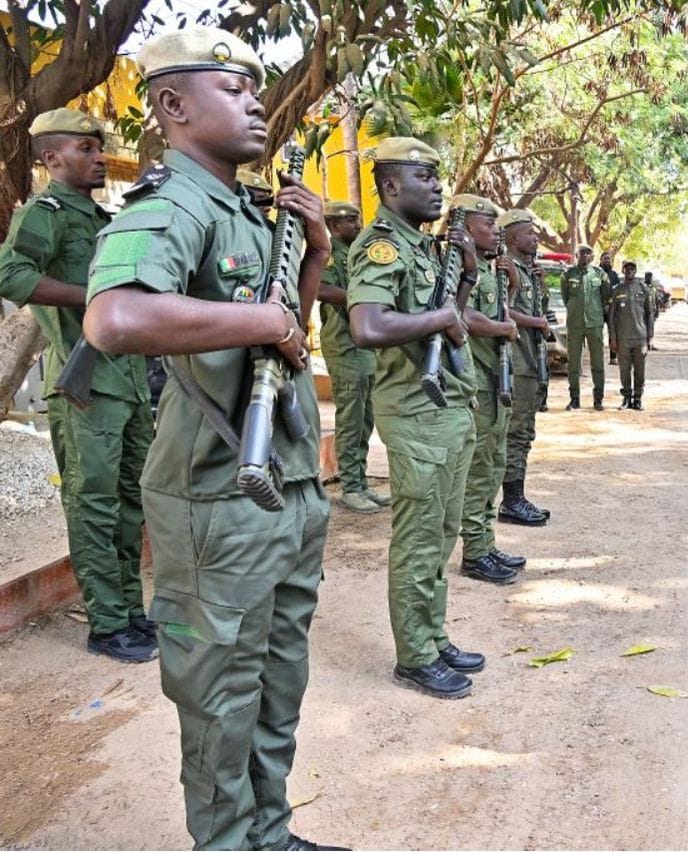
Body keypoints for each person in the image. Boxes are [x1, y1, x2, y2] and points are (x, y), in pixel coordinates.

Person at [83, 27, 343, 850]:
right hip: (216, 494)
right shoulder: (171, 204)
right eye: (233, 89)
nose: (257, 101)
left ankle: (269, 833)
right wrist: (264, 314)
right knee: (220, 700)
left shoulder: (243, 208)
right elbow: (115, 318)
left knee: (276, 683)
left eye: (254, 88)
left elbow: (284, 337)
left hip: (285, 483)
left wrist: (313, 256)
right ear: (171, 105)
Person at [0, 108, 156, 663]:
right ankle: (107, 622)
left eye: (98, 149)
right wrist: (90, 298)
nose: (97, 158)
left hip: (129, 380)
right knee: (93, 503)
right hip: (86, 384)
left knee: (132, 500)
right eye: (85, 149)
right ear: (50, 158)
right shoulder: (44, 214)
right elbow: (10, 274)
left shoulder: (101, 219)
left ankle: (131, 610)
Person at [346, 138, 487, 701]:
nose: (436, 187)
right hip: (416, 415)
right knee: (419, 538)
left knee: (443, 531)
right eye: (424, 177)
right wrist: (439, 320)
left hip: (447, 408)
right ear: (389, 186)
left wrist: (467, 272)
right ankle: (415, 656)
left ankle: (433, 634)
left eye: (437, 177)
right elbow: (369, 327)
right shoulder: (379, 247)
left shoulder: (423, 247)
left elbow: (451, 303)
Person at [455, 193, 523, 584]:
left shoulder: (488, 266)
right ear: (467, 227)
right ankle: (475, 552)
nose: (496, 232)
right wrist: (501, 328)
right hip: (476, 379)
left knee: (494, 465)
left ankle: (486, 543)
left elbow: (499, 312)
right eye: (489, 225)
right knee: (479, 469)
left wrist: (510, 286)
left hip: (497, 376)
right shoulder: (457, 267)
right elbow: (461, 314)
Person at [316, 200, 389, 514]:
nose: (358, 227)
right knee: (351, 418)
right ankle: (351, 487)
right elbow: (320, 289)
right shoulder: (328, 253)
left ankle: (358, 480)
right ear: (334, 226)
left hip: (365, 346)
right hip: (344, 345)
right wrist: (360, 299)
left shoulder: (358, 253)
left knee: (366, 418)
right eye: (351, 222)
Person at [498, 208, 553, 526]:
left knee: (524, 433)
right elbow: (503, 312)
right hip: (515, 362)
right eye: (530, 233)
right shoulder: (505, 268)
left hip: (530, 359)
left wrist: (538, 287)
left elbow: (534, 310)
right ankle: (511, 501)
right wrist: (538, 322)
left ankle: (515, 497)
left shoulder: (526, 268)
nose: (536, 238)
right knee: (516, 433)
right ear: (515, 237)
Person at [561, 244, 610, 410]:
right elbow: (565, 297)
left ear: (592, 257)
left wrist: (596, 312)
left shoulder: (599, 274)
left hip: (594, 323)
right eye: (581, 253)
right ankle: (574, 399)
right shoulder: (568, 274)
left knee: (597, 363)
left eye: (588, 253)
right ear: (576, 255)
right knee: (573, 363)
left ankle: (598, 399)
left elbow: (605, 296)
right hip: (575, 324)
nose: (584, 256)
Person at [608, 260, 654, 410]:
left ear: (635, 271)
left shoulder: (643, 290)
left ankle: (638, 398)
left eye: (632, 268)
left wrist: (650, 336)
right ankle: (626, 398)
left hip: (640, 337)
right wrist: (612, 338)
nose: (629, 271)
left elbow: (650, 314)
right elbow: (612, 317)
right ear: (623, 271)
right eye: (627, 268)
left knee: (640, 371)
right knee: (624, 371)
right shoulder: (617, 290)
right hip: (623, 339)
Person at [600, 250, 621, 364]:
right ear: (601, 260)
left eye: (609, 259)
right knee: (598, 334)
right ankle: (597, 357)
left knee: (612, 332)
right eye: (605, 259)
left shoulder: (614, 275)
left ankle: (613, 357)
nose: (607, 261)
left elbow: (617, 290)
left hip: (612, 309)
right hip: (598, 309)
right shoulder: (596, 273)